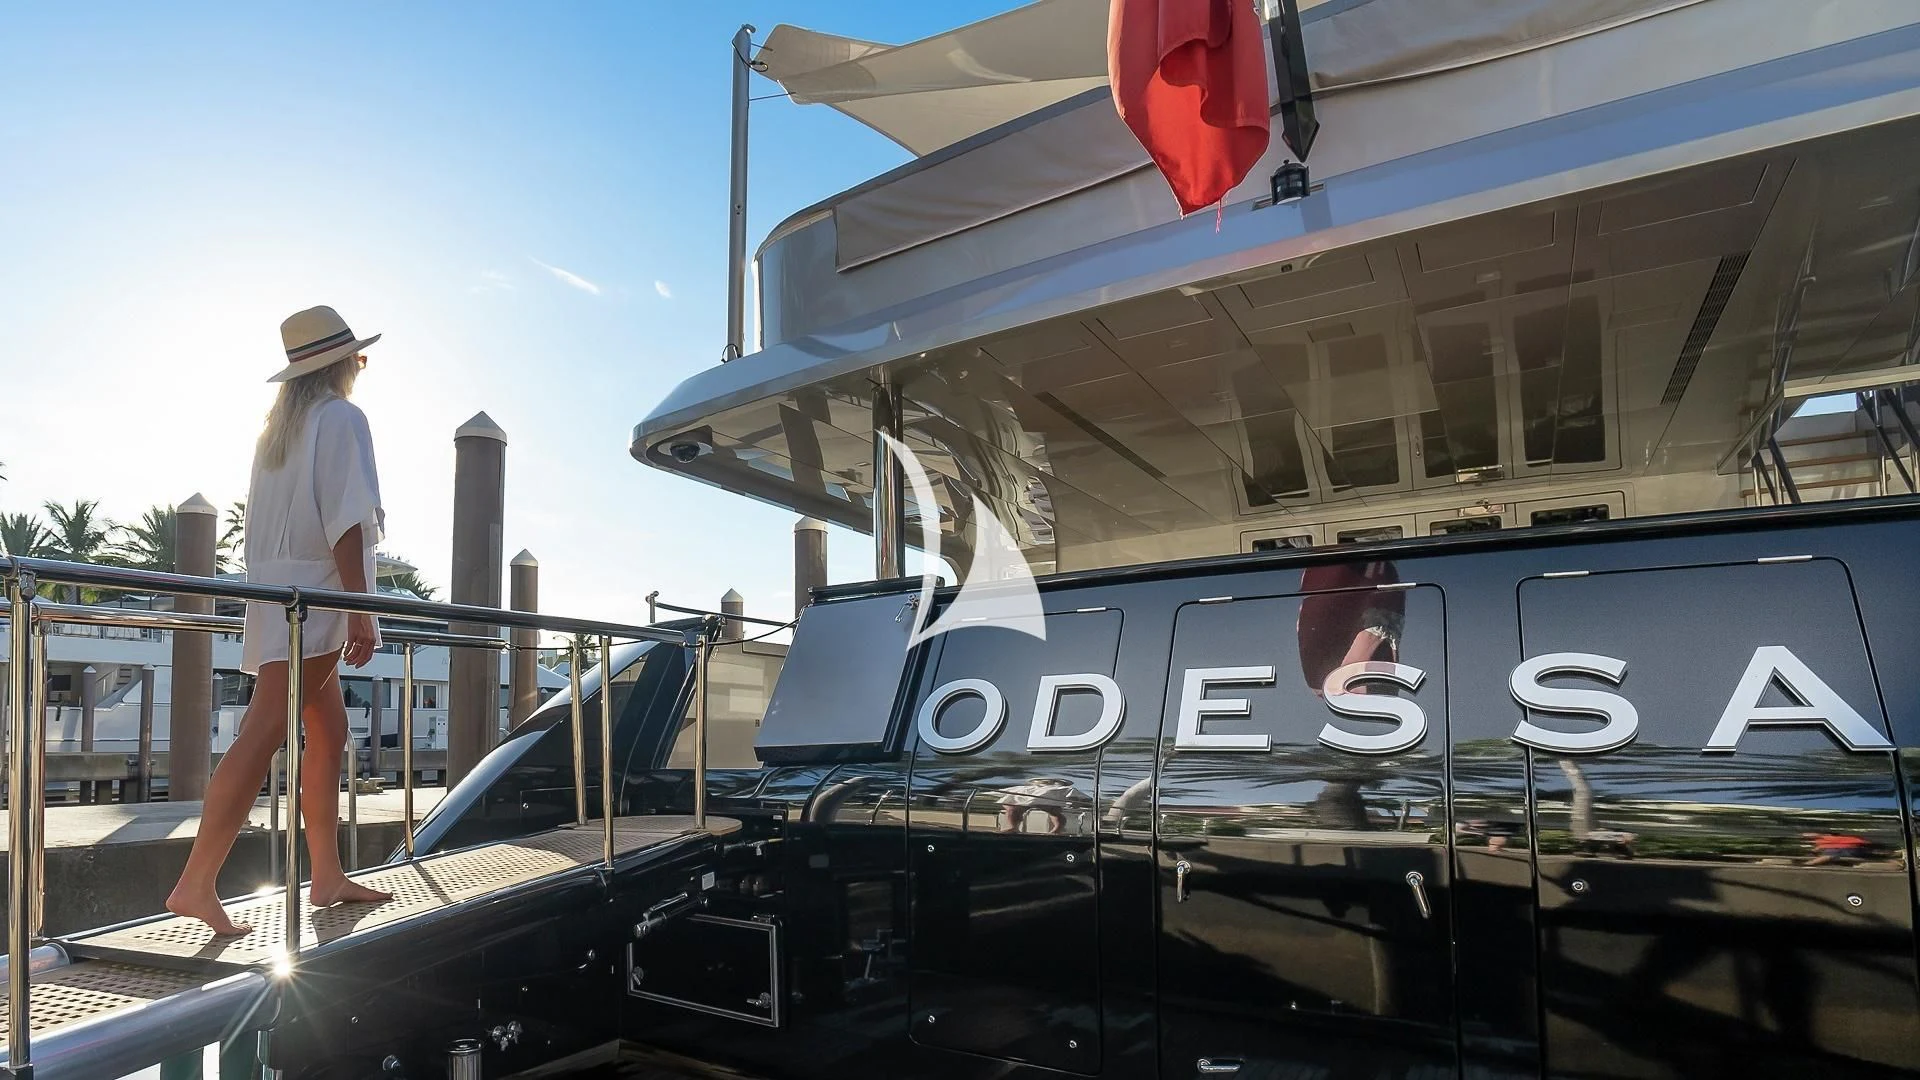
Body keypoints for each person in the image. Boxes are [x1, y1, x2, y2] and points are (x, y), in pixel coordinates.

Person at [166, 305, 395, 935]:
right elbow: (347, 519)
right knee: (267, 728)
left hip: (272, 591)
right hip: (315, 593)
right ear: (343, 363)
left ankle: (325, 875)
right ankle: (194, 883)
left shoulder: (278, 434)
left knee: (328, 731)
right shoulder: (343, 418)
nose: (360, 366)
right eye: (359, 358)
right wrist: (359, 608)